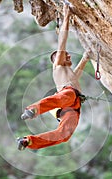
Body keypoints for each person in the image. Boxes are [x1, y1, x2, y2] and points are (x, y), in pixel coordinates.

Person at [17, 2, 90, 150]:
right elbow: (62, 42)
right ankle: (33, 109)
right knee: (64, 96)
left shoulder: (69, 74)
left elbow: (79, 72)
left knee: (63, 135)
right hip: (67, 96)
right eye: (62, 55)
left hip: (72, 107)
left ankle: (28, 141)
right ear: (56, 60)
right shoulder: (58, 66)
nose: (67, 54)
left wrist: (86, 57)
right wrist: (67, 16)